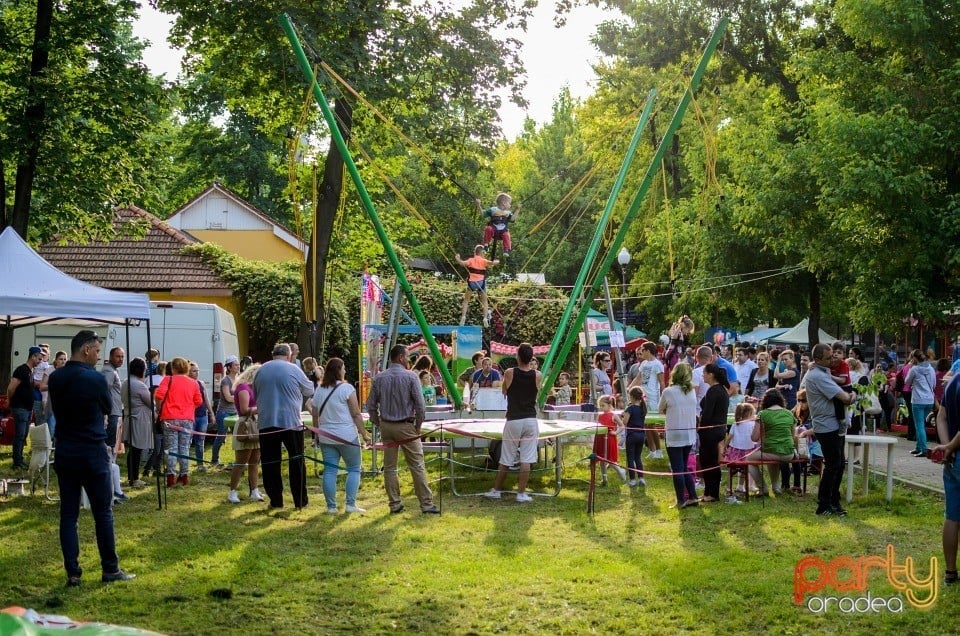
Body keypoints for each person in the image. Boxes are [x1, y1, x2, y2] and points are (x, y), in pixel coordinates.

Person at [48, 330, 134, 586]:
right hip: (92, 449)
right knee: (103, 513)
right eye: (97, 351)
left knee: (68, 515)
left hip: (65, 449)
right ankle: (110, 568)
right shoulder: (95, 379)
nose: (99, 356)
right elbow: (109, 407)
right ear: (86, 350)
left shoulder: (55, 378)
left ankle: (73, 572)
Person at [366, 344, 439, 514]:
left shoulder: (379, 378)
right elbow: (421, 407)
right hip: (406, 426)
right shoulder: (411, 377)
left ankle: (394, 503)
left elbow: (370, 406)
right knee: (417, 465)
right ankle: (426, 504)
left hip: (386, 426)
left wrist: (378, 422)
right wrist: (418, 427)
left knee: (390, 467)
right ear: (400, 357)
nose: (409, 360)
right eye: (407, 357)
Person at [254, 343, 315, 510]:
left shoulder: (260, 370)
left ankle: (275, 500)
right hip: (290, 421)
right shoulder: (294, 369)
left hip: (266, 421)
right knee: (296, 461)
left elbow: (256, 392)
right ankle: (300, 501)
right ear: (288, 355)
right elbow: (309, 390)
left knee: (270, 462)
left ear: (273, 354)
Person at [803, 343, 858, 516]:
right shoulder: (819, 376)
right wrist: (853, 395)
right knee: (833, 466)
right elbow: (845, 398)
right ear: (817, 359)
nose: (832, 360)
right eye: (828, 358)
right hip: (827, 427)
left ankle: (834, 501)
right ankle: (824, 504)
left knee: (839, 464)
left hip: (833, 425)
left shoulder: (823, 372)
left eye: (833, 356)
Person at [311, 358, 372, 514]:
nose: (345, 370)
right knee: (354, 469)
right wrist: (364, 434)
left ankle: (331, 507)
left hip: (326, 436)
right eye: (343, 368)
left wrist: (317, 434)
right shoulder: (347, 389)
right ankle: (350, 504)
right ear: (338, 370)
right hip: (347, 436)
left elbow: (315, 415)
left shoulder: (319, 390)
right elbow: (356, 414)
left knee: (330, 471)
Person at [484, 343, 541, 502]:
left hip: (514, 419)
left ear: (517, 356)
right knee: (527, 458)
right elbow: (536, 393)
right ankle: (521, 493)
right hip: (530, 419)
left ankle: (496, 490)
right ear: (531, 359)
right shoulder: (538, 375)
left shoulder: (509, 373)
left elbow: (504, 391)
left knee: (506, 458)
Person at [155, 357, 202, 487]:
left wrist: (160, 408)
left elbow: (159, 396)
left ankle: (170, 477)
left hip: (169, 418)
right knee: (184, 448)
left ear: (173, 368)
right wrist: (188, 407)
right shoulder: (193, 383)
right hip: (187, 419)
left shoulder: (168, 379)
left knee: (171, 448)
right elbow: (198, 401)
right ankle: (184, 476)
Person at [932, 370, 960, 585]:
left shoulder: (954, 380)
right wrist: (950, 445)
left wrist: (947, 448)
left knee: (952, 516)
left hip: (952, 460)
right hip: (954, 449)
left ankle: (950, 572)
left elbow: (941, 416)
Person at [744, 389, 797, 496]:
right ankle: (776, 487)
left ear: (765, 401)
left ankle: (763, 488)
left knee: (748, 459)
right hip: (789, 453)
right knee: (772, 457)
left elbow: (754, 438)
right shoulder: (789, 413)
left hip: (771, 451)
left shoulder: (763, 414)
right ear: (781, 400)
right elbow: (793, 436)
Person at [661, 362, 699, 509]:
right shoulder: (691, 391)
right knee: (683, 467)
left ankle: (681, 500)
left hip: (674, 432)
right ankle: (693, 496)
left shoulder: (669, 391)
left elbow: (660, 408)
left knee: (677, 468)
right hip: (689, 432)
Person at [227, 363, 264, 504]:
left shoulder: (255, 388)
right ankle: (232, 491)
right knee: (241, 461)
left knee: (255, 460)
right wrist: (260, 407)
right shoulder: (243, 388)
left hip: (255, 425)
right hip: (245, 425)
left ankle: (254, 491)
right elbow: (244, 410)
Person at [6, 345, 44, 469]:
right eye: (39, 358)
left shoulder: (30, 371)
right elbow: (11, 388)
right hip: (20, 407)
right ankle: (17, 461)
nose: (40, 361)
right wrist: (9, 400)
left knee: (24, 434)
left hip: (27, 408)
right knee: (20, 435)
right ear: (32, 357)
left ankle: (20, 458)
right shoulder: (21, 370)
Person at [698, 363, 730, 502]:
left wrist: (700, 427)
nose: (703, 375)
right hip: (719, 430)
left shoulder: (714, 391)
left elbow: (707, 414)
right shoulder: (720, 389)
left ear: (711, 375)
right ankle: (708, 492)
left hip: (710, 431)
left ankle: (713, 493)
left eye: (704, 373)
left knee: (709, 462)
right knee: (708, 461)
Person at [122, 357, 153, 489]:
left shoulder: (125, 382)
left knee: (133, 450)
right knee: (137, 450)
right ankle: (134, 478)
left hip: (129, 415)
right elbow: (151, 402)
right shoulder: (139, 385)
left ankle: (132, 476)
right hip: (139, 418)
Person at [456, 245, 499, 327]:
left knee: (466, 301)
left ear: (475, 252)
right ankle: (485, 318)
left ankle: (463, 317)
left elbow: (462, 263)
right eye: (484, 253)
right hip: (481, 283)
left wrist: (458, 258)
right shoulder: (483, 261)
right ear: (482, 253)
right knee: (485, 301)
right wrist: (498, 261)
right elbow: (493, 263)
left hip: (471, 283)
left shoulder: (471, 260)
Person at [905, 348, 937, 458]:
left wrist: (910, 368)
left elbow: (907, 382)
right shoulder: (931, 369)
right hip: (929, 400)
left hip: (918, 400)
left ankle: (923, 449)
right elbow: (934, 384)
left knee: (919, 425)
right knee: (921, 424)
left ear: (914, 358)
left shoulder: (914, 369)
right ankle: (918, 447)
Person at [212, 355, 240, 469]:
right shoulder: (225, 380)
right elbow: (228, 398)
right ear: (229, 367)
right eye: (235, 365)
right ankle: (214, 459)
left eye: (238, 365)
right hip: (224, 413)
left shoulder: (239, 380)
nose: (238, 367)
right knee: (221, 436)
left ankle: (238, 460)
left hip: (235, 413)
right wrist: (241, 397)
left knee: (238, 437)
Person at [724, 402, 759, 494]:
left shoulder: (736, 424)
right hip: (748, 451)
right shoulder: (752, 424)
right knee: (745, 469)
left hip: (735, 451)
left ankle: (729, 488)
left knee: (731, 470)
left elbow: (729, 437)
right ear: (748, 414)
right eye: (753, 413)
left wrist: (724, 447)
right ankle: (740, 486)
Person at [592, 395, 627, 484]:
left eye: (603, 405)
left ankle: (620, 471)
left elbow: (622, 426)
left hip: (610, 440)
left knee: (611, 460)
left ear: (609, 405)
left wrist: (615, 433)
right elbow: (596, 425)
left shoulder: (613, 415)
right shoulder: (599, 415)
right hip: (600, 439)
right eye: (600, 406)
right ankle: (604, 478)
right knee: (601, 459)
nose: (601, 408)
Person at [188, 361, 216, 472]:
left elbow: (206, 399)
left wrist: (211, 413)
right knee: (189, 440)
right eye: (194, 371)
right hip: (191, 416)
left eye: (197, 370)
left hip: (202, 415)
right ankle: (185, 464)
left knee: (201, 440)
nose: (197, 373)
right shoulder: (187, 383)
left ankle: (200, 464)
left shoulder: (201, 383)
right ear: (188, 372)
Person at [40, 349, 67, 442]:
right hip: (51, 404)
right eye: (61, 359)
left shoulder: (67, 372)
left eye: (64, 359)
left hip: (64, 405)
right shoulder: (50, 370)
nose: (63, 361)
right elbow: (42, 386)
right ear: (55, 360)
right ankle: (49, 451)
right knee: (52, 430)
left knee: (62, 432)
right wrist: (54, 385)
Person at [478, 192, 516, 257]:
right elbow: (483, 214)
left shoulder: (508, 213)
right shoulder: (493, 210)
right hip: (493, 231)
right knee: (488, 228)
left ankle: (506, 250)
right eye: (509, 203)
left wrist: (518, 209)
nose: (510, 205)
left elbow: (512, 219)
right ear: (504, 203)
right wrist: (478, 205)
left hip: (502, 232)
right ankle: (486, 246)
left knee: (507, 234)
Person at [622, 387, 647, 486]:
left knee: (630, 458)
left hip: (632, 435)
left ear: (632, 397)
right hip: (641, 435)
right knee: (638, 457)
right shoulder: (643, 408)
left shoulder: (630, 408)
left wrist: (623, 415)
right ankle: (641, 478)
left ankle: (632, 480)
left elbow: (625, 422)